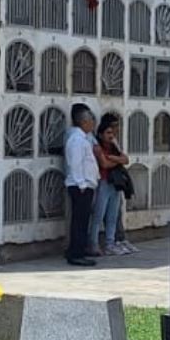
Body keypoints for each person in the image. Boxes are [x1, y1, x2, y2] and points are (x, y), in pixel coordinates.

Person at [92, 113, 135, 256]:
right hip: (103, 183)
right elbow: (103, 164)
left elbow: (126, 159)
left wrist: (113, 158)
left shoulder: (113, 145)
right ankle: (93, 243)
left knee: (113, 216)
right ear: (101, 133)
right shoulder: (97, 146)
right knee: (98, 216)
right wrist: (116, 160)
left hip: (115, 184)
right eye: (109, 132)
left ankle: (110, 244)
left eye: (113, 131)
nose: (112, 135)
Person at [63, 103, 99, 267]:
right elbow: (75, 164)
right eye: (91, 120)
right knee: (79, 221)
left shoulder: (83, 138)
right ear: (84, 122)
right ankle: (76, 254)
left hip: (84, 185)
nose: (93, 123)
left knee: (82, 220)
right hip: (80, 187)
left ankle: (77, 250)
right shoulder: (77, 140)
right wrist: (82, 184)